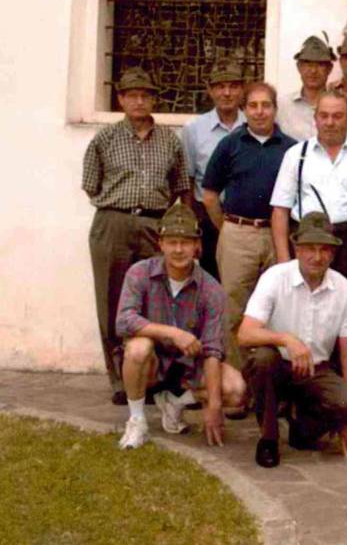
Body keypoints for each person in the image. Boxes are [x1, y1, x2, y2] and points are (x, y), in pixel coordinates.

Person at [269, 90, 347, 432]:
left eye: (338, 116)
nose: (331, 122)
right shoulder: (297, 155)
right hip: (307, 240)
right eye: (325, 115)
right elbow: (279, 209)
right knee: (302, 318)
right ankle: (300, 399)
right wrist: (283, 259)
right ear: (315, 118)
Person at [82, 67, 192, 404]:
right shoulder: (105, 138)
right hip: (113, 223)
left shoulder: (170, 141)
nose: (139, 101)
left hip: (154, 225)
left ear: (154, 99)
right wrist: (119, 210)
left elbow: (182, 187)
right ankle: (119, 378)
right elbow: (90, 184)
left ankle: (155, 376)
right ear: (121, 99)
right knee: (114, 301)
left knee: (157, 299)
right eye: (132, 95)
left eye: (145, 95)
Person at [115, 201, 246, 449]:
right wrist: (173, 333)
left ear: (197, 246)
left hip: (189, 367)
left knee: (236, 389)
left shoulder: (212, 289)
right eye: (172, 242)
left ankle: (176, 402)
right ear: (160, 244)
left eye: (185, 242)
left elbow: (212, 350)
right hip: (152, 363)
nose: (178, 249)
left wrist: (215, 406)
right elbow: (123, 320)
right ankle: (137, 420)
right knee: (138, 347)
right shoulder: (140, 273)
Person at [238, 212, 347, 468]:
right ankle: (268, 439)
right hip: (278, 364)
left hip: (317, 369)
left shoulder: (343, 288)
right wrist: (286, 339)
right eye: (309, 248)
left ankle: (302, 429)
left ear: (333, 252)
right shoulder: (275, 276)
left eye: (324, 249)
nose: (316, 257)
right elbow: (245, 334)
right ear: (296, 248)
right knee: (261, 359)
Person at [201, 82, 296, 372]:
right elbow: (210, 195)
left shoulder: (291, 148)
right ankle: (237, 381)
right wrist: (228, 229)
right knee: (234, 309)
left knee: (277, 309)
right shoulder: (230, 145)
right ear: (244, 110)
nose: (259, 112)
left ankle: (271, 383)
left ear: (275, 109)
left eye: (265, 105)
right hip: (237, 235)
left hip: (278, 236)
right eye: (253, 106)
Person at [181, 60, 246, 279]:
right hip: (207, 218)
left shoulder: (254, 125)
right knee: (209, 283)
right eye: (220, 86)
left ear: (242, 89)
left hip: (244, 218)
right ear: (210, 90)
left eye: (233, 86)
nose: (226, 93)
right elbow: (187, 181)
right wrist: (192, 230)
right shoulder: (194, 129)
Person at [276, 33, 336, 142]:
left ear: (329, 69)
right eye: (308, 64)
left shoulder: (343, 106)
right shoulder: (281, 106)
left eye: (320, 64)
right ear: (299, 67)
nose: (313, 70)